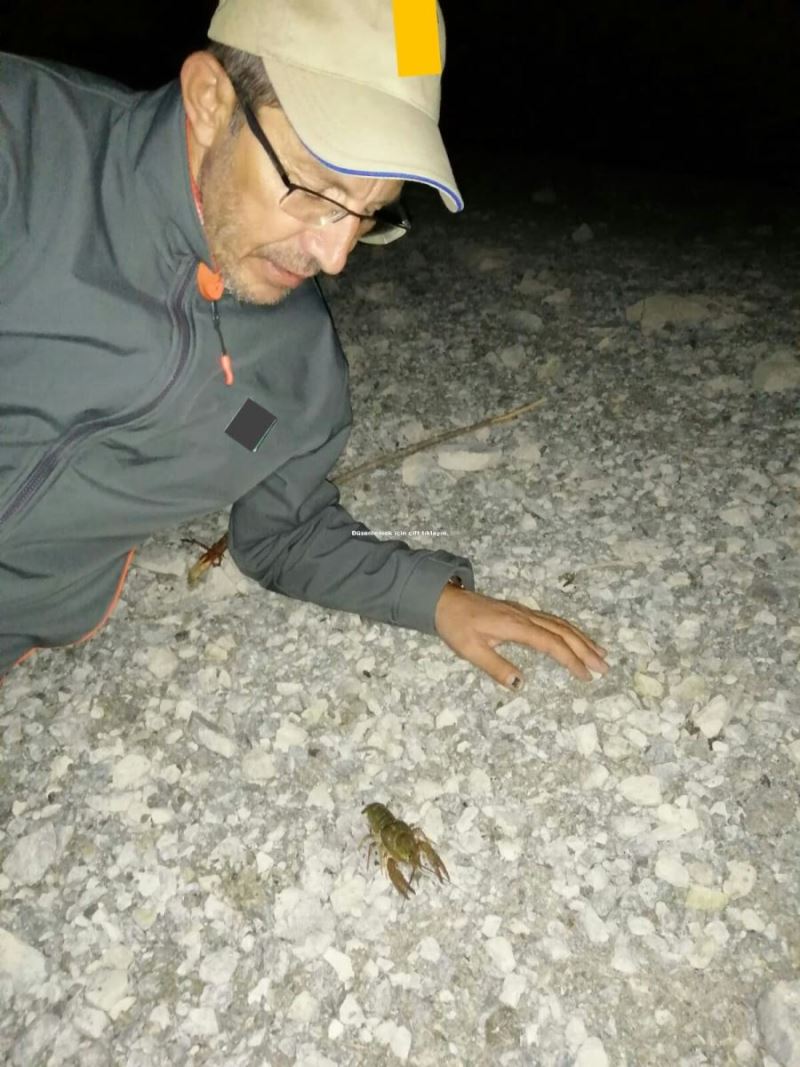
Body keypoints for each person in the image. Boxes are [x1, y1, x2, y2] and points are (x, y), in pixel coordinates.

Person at [0, 0, 608, 688]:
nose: (335, 253)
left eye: (370, 213)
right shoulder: (25, 149)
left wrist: (436, 600)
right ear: (209, 99)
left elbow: (282, 530)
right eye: (314, 187)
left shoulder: (293, 375)